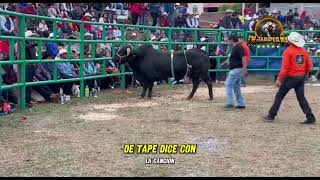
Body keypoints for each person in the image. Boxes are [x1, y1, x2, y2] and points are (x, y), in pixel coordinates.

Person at [265, 32, 316, 124]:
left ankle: (271, 115)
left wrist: (279, 79)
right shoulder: (303, 51)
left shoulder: (288, 51)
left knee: (279, 96)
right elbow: (309, 65)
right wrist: (304, 75)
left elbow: (285, 67)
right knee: (301, 97)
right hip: (300, 77)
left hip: (291, 77)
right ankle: (310, 116)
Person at [224, 34, 248, 109]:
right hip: (237, 69)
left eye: (228, 40)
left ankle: (230, 103)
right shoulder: (237, 47)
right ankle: (241, 103)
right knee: (236, 86)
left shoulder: (238, 47)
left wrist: (245, 69)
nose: (227, 41)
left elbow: (243, 58)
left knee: (228, 84)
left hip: (236, 69)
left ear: (231, 40)